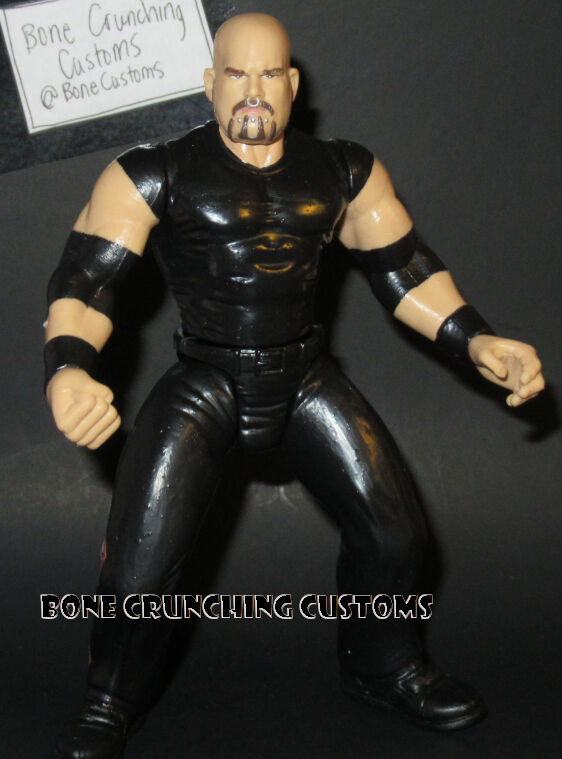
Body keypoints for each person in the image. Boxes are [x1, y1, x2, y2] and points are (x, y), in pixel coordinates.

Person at [45, 13, 545, 759]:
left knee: (397, 532)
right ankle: (110, 695)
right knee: (142, 559)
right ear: (210, 84)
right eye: (236, 73)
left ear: (293, 84)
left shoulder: (343, 170)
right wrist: (68, 370)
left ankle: (384, 666)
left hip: (304, 378)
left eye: (269, 73)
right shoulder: (155, 173)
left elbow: (403, 267)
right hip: (207, 380)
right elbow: (87, 280)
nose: (254, 90)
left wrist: (475, 337)